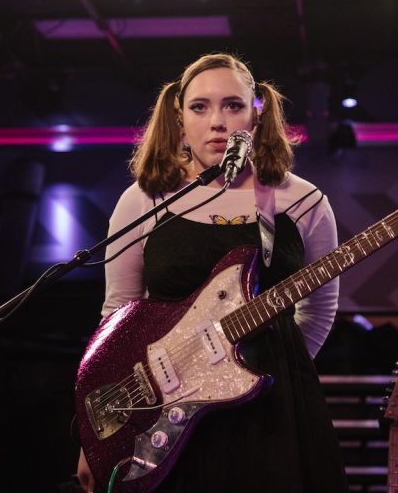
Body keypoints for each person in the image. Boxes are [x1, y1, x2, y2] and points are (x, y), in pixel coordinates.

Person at [76, 52, 346, 492]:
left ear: (256, 113)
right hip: (170, 416)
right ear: (179, 117)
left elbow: (319, 312)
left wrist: (273, 377)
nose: (217, 121)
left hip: (274, 413)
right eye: (200, 107)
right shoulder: (143, 199)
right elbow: (117, 317)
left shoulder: (303, 201)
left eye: (233, 105)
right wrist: (100, 435)